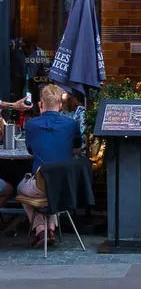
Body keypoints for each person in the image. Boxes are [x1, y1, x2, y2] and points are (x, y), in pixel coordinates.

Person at [18, 83, 81, 247]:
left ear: (40, 104)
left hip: (41, 186)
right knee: (53, 186)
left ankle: (40, 229)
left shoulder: (31, 125)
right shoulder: (72, 124)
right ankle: (51, 228)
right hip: (65, 185)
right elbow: (77, 146)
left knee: (21, 190)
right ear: (60, 105)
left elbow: (31, 150)